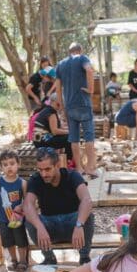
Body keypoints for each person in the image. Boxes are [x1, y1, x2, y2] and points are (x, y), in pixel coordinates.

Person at [23, 147, 95, 265]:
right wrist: (39, 227)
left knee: (88, 216)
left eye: (47, 169)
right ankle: (49, 258)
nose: (43, 174)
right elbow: (27, 204)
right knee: (30, 220)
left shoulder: (72, 176)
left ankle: (84, 258)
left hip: (73, 224)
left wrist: (79, 224)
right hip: (49, 227)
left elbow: (87, 200)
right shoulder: (36, 179)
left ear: (57, 165)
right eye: (40, 170)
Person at [54, 41, 98, 179]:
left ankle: (78, 168)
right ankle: (90, 168)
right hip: (83, 104)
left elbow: (58, 86)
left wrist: (61, 104)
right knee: (89, 136)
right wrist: (91, 89)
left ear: (69, 52)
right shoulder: (82, 58)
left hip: (69, 106)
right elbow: (89, 70)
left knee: (74, 138)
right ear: (80, 50)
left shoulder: (61, 64)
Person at [0, 148, 29, 272]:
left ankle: (23, 260)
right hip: (3, 218)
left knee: (20, 239)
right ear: (1, 167)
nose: (9, 167)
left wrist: (21, 206)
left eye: (12, 163)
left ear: (18, 164)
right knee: (8, 241)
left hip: (16, 217)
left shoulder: (22, 183)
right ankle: (13, 260)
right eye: (5, 165)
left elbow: (27, 201)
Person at [33, 98, 70, 165]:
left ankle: (63, 160)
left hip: (40, 139)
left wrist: (69, 130)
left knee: (66, 136)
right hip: (42, 140)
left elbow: (59, 128)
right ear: (54, 101)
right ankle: (68, 161)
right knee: (70, 138)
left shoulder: (48, 110)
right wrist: (70, 132)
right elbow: (55, 131)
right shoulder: (51, 112)